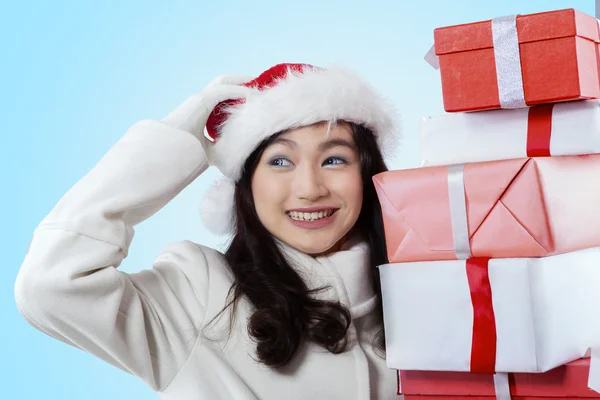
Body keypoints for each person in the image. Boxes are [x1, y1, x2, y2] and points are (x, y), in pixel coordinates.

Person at [14, 63, 401, 399]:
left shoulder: (418, 292)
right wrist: (171, 143)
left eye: (334, 159)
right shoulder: (199, 293)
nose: (310, 189)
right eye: (280, 161)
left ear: (367, 176)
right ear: (247, 187)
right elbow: (50, 286)